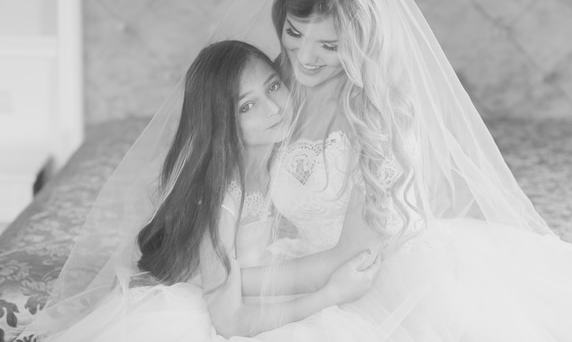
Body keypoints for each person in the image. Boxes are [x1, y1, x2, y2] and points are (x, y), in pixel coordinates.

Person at [239, 0, 572, 341]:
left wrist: (233, 281)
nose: (304, 56)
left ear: (361, 42)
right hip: (305, 264)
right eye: (294, 32)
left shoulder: (378, 122)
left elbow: (345, 259)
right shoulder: (277, 91)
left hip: (379, 286)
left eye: (329, 45)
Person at [26, 40, 381, 341]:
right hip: (215, 316)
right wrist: (330, 294)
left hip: (243, 288)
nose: (273, 108)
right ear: (221, 120)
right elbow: (230, 323)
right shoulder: (224, 195)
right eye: (246, 105)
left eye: (273, 86)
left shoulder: (275, 156)